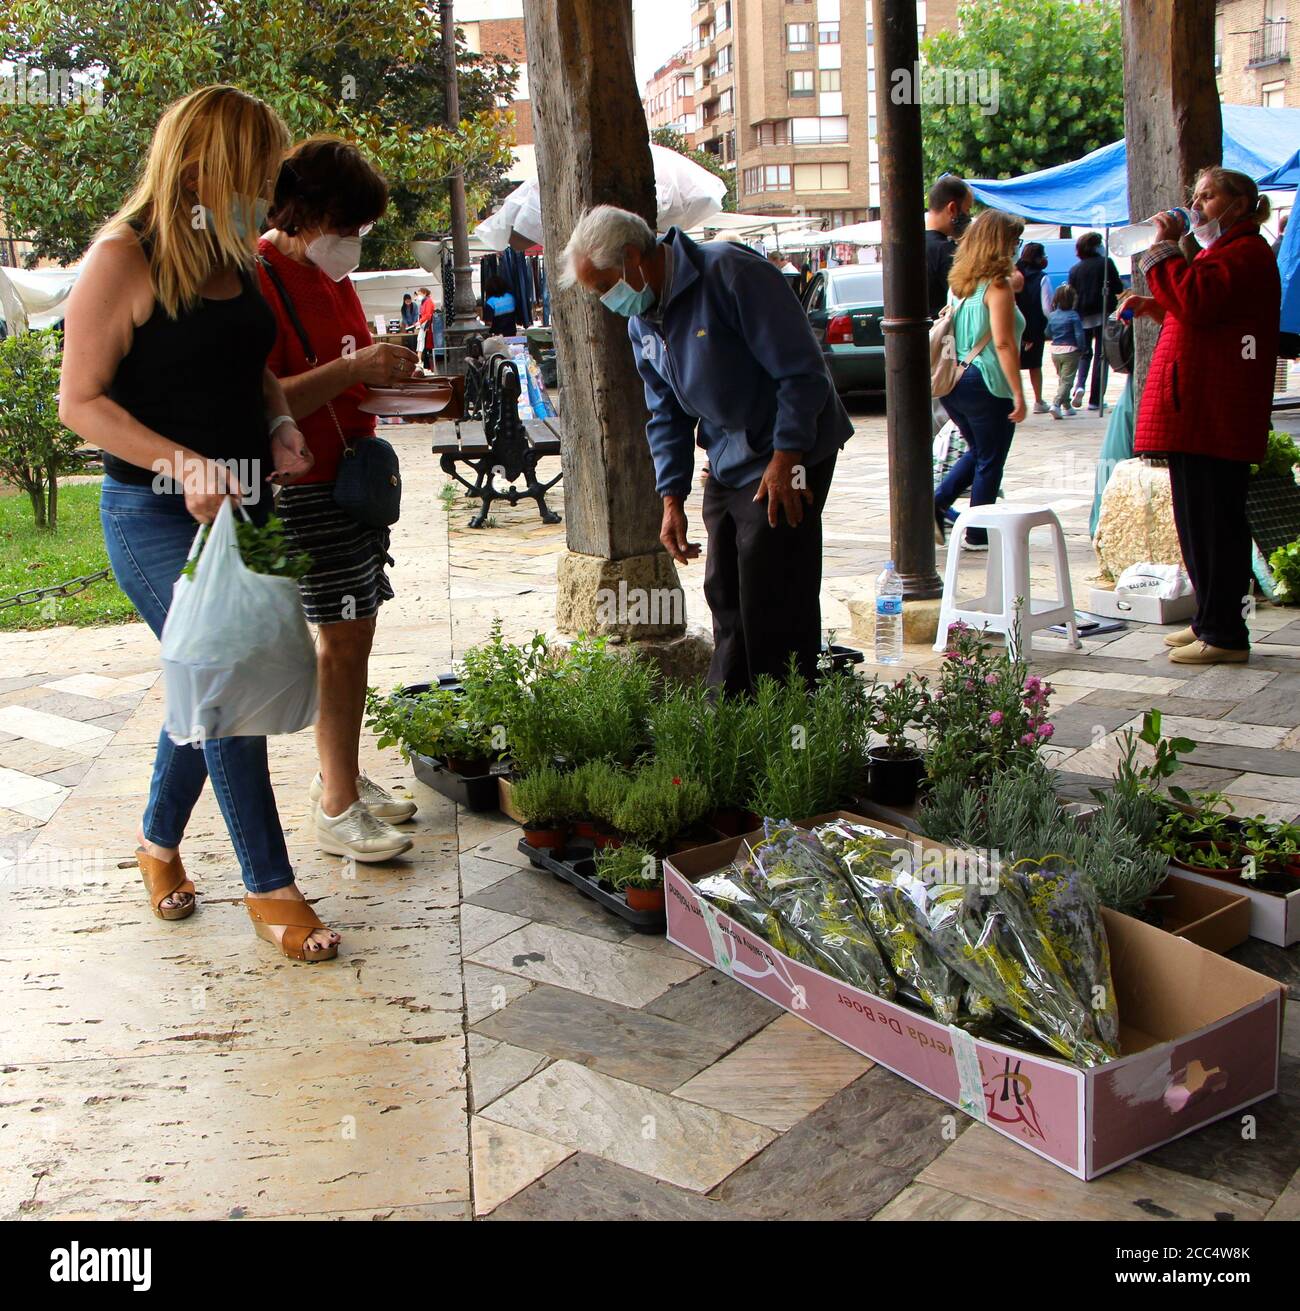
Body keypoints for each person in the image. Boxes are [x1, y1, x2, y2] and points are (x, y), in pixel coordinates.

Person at [59, 85, 340, 962]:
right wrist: (179, 461)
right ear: (203, 163)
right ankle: (270, 885)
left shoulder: (233, 252)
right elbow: (79, 402)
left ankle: (155, 842)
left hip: (246, 506)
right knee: (225, 682)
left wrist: (281, 423)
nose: (269, 188)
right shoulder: (121, 255)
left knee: (212, 679)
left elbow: (247, 368)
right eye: (256, 170)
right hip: (151, 513)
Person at [558, 205, 853, 695]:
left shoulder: (733, 274)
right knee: (724, 586)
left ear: (632, 259)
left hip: (791, 449)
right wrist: (671, 498)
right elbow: (666, 412)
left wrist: (786, 459)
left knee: (772, 583)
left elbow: (803, 373)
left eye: (603, 286)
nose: (605, 300)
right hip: (729, 454)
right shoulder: (644, 320)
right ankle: (731, 715)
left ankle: (786, 717)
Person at [257, 135, 419, 862]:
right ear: (310, 212)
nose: (353, 242)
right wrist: (355, 363)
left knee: (355, 632)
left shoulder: (332, 274)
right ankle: (336, 805)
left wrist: (389, 376)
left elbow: (346, 372)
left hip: (350, 479)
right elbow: (265, 400)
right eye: (348, 227)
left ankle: (343, 774)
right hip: (304, 485)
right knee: (343, 638)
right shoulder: (261, 276)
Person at [1128, 167, 1280, 666]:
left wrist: (1164, 250)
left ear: (1240, 203)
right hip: (1199, 412)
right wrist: (1156, 307)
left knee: (1216, 525)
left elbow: (1198, 300)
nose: (1198, 206)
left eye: (1209, 196)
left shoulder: (1246, 253)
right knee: (1199, 524)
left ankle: (1225, 632)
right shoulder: (1225, 253)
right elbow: (1201, 311)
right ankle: (1209, 620)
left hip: (1214, 414)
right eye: (1196, 196)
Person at [933, 209, 1027, 550]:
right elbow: (1002, 343)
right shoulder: (996, 287)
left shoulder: (960, 286)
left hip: (955, 382)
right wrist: (1019, 393)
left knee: (979, 451)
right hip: (987, 381)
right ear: (1000, 244)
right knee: (991, 459)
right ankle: (977, 531)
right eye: (1015, 242)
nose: (1017, 248)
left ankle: (938, 502)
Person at [1067, 231, 1122, 410]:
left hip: (1082, 316)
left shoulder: (1075, 269)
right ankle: (1096, 399)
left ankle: (1079, 385)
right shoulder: (1105, 264)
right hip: (1102, 313)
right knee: (1102, 355)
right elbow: (1117, 286)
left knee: (1084, 353)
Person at [924, 174, 974, 319]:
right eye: (967, 209)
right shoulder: (947, 252)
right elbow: (967, 302)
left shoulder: (909, 247)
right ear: (952, 208)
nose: (968, 216)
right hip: (944, 337)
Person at [1015, 242, 1053, 413]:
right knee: (1034, 365)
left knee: (1013, 363)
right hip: (1035, 327)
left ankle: (1016, 400)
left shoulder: (1015, 273)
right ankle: (1038, 400)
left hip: (1015, 326)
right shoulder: (1042, 278)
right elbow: (1047, 308)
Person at [1045, 283, 1086, 419]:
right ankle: (1056, 404)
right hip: (1070, 350)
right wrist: (1082, 348)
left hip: (1055, 351)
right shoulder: (1074, 315)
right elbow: (1079, 335)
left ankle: (1067, 405)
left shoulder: (1052, 316)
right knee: (1067, 381)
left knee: (1062, 379)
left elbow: (1048, 332)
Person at [417, 285, 435, 368]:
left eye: (419, 294)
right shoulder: (425, 301)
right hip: (424, 324)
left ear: (424, 293)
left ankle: (422, 360)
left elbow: (427, 315)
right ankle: (420, 359)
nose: (418, 296)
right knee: (421, 341)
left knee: (423, 342)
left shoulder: (428, 301)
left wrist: (420, 321)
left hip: (427, 324)